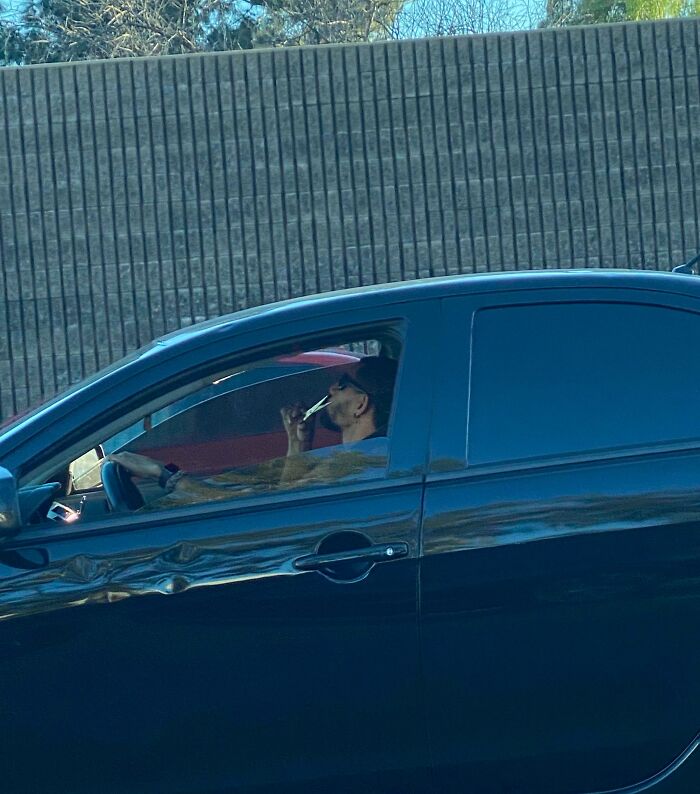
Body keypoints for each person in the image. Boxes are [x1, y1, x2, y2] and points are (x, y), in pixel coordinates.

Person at [107, 355, 398, 505]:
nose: (332, 388)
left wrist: (164, 475)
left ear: (361, 404)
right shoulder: (358, 455)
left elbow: (259, 506)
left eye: (343, 383)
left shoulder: (356, 464)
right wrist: (298, 445)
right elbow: (284, 495)